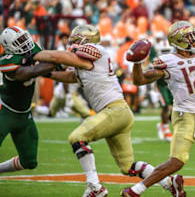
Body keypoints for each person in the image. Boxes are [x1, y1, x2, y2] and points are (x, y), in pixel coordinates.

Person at [31, 24, 182, 197]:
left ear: (87, 41)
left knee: (77, 137)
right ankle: (169, 183)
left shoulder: (96, 51)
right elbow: (70, 76)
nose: (72, 43)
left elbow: (56, 56)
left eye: (76, 40)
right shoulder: (85, 62)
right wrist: (42, 72)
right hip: (119, 113)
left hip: (114, 111)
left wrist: (32, 56)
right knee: (128, 167)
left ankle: (95, 186)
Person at [122, 21, 195, 197]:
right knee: (177, 162)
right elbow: (140, 80)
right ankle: (135, 191)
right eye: (190, 37)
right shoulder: (168, 61)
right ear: (179, 41)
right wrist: (137, 63)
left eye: (194, 35)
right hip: (184, 115)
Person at [0, 26, 55, 174]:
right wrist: (57, 62)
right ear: (8, 46)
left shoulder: (33, 48)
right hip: (5, 112)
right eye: (19, 41)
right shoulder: (7, 61)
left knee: (29, 162)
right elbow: (32, 71)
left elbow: (48, 62)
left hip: (24, 114)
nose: (24, 43)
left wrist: (56, 60)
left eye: (24, 38)